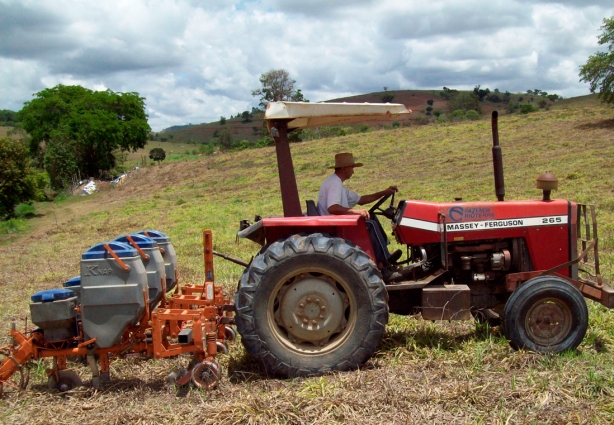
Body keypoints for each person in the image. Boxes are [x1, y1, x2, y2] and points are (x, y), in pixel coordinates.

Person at [317, 152, 398, 218]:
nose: (353, 172)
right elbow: (332, 208)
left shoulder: (337, 183)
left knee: (371, 218)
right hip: (335, 226)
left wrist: (384, 192)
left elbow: (361, 200)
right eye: (352, 168)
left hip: (339, 223)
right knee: (371, 223)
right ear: (345, 168)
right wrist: (355, 211)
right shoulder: (334, 183)